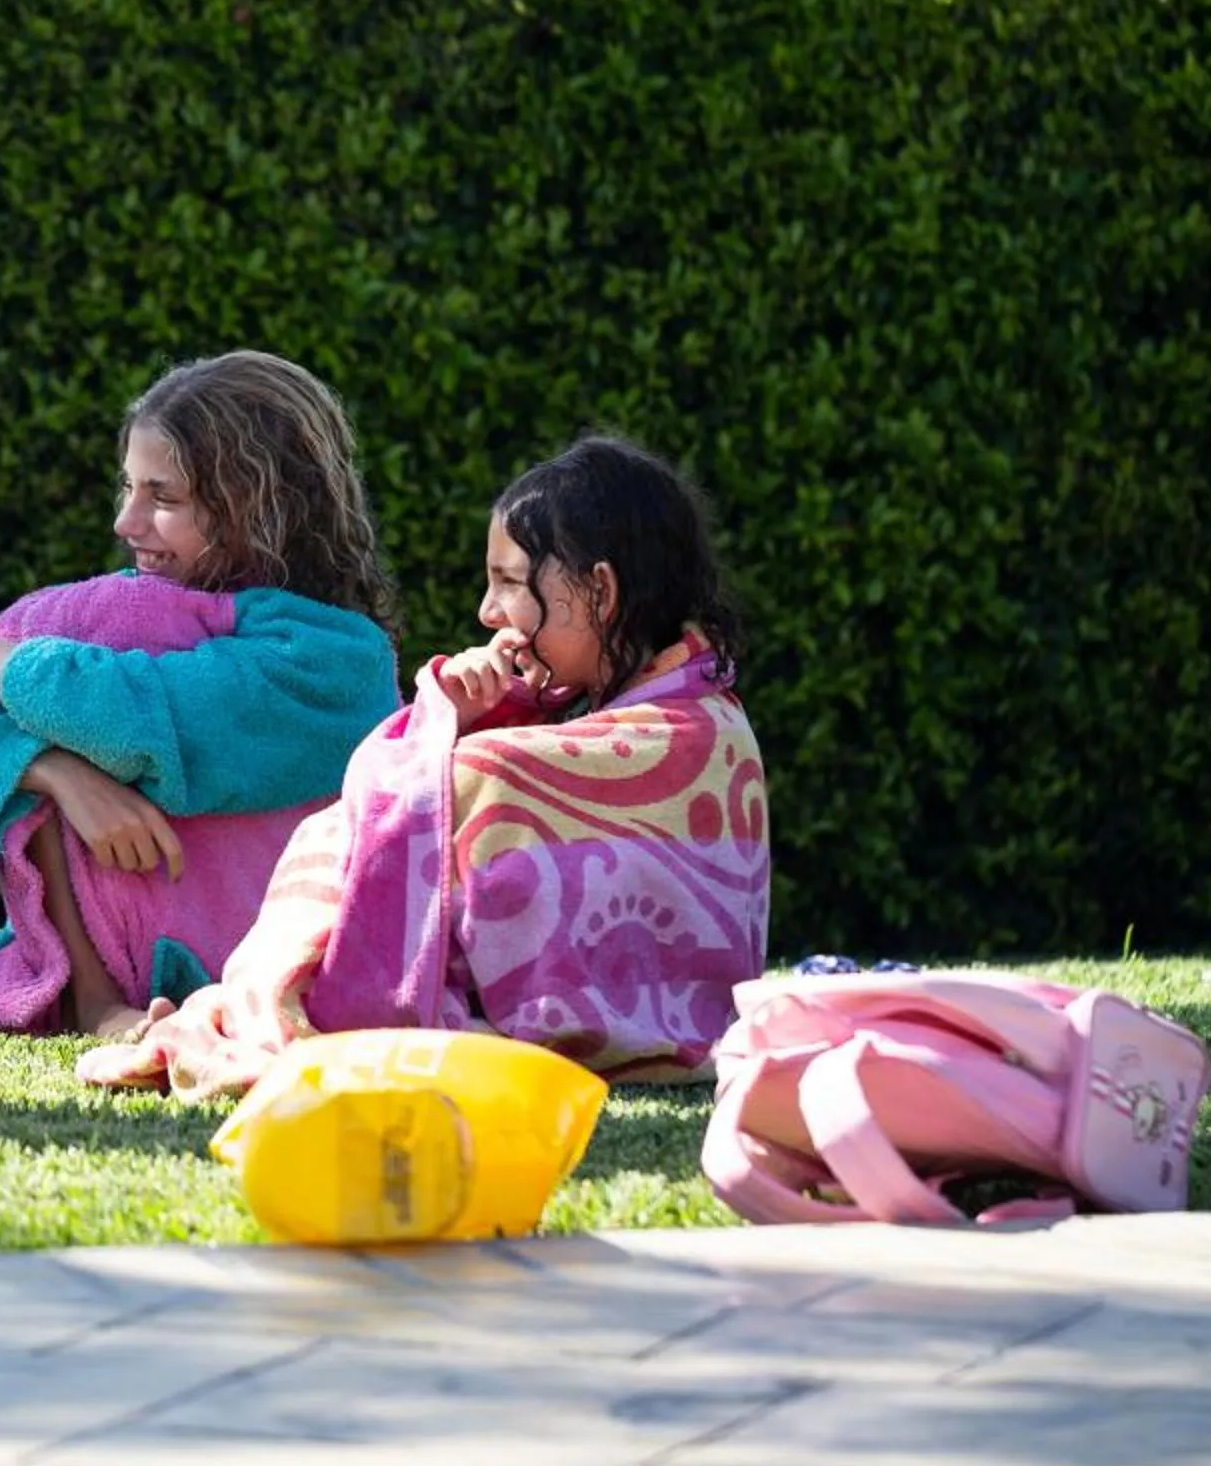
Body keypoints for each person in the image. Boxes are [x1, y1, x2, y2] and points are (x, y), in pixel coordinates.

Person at [84, 435, 772, 1100]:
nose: (487, 612)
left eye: (508, 582)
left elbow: (479, 784)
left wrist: (457, 733)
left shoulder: (696, 731)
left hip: (630, 1015)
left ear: (600, 592)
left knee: (468, 778)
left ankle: (304, 998)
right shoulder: (661, 704)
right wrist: (471, 712)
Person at [0, 351, 403, 1041]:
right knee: (37, 740)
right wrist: (56, 774)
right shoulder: (115, 619)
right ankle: (95, 1004)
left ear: (264, 505)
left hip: (272, 963)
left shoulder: (338, 659)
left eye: (164, 498)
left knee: (59, 720)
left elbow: (128, 713)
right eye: (128, 488)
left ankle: (98, 1006)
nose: (128, 523)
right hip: (121, 965)